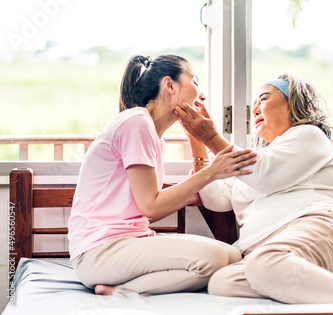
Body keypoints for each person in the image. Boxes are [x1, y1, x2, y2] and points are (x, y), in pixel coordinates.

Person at [175, 73, 333, 303]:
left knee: (264, 262)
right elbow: (217, 199)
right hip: (264, 253)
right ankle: (318, 289)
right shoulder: (257, 158)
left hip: (314, 228)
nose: (255, 109)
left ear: (292, 104)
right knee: (222, 282)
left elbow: (264, 175)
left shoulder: (309, 136)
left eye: (264, 99)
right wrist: (198, 142)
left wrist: (211, 137)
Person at [67, 54, 257, 296]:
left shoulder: (152, 135)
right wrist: (211, 173)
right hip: (98, 252)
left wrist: (198, 147)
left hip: (128, 243)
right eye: (195, 81)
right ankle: (121, 291)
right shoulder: (136, 123)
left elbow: (147, 201)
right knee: (215, 259)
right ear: (169, 85)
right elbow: (151, 207)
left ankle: (119, 287)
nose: (201, 93)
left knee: (231, 255)